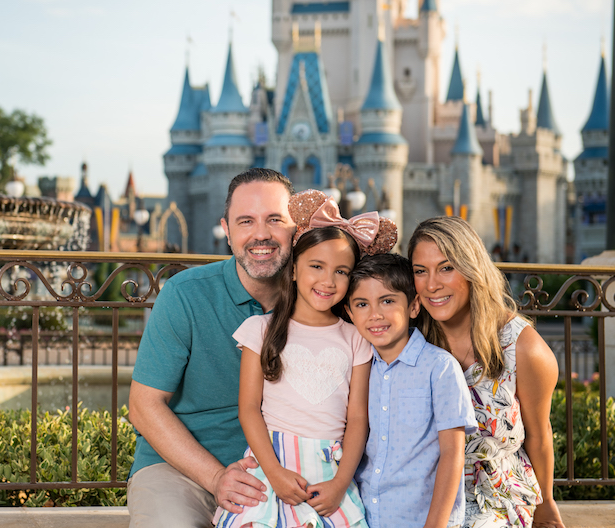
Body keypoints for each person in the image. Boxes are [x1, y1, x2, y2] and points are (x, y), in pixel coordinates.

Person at [213, 189, 397, 528]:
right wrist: (275, 473)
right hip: (272, 466)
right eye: (316, 266)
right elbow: (249, 409)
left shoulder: (356, 338)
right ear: (294, 269)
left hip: (332, 472)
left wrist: (342, 482)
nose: (328, 280)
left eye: (342, 272)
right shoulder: (261, 330)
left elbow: (357, 418)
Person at [127, 168, 296, 528]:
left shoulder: (318, 300)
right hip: (180, 470)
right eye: (246, 221)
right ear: (228, 230)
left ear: (297, 227)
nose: (261, 234)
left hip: (283, 474)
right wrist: (217, 477)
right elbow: (143, 406)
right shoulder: (185, 294)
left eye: (275, 220)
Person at [408, 216, 565, 528]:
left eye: (446, 267)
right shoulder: (410, 339)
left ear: (471, 269)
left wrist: (546, 504)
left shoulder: (523, 348)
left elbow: (538, 433)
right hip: (424, 492)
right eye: (419, 271)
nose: (431, 284)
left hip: (495, 498)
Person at [348, 253, 477, 528]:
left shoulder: (440, 368)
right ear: (350, 313)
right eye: (362, 304)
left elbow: (452, 455)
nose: (375, 315)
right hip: (362, 517)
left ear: (414, 306)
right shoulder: (357, 368)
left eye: (387, 300)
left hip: (420, 519)